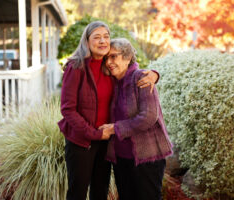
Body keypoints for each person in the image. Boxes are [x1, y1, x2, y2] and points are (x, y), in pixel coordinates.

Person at [58, 21, 159, 200]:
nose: (103, 41)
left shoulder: (108, 66)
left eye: (106, 36)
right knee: (77, 192)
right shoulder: (76, 67)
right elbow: (68, 109)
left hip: (106, 142)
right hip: (82, 142)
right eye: (97, 37)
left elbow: (131, 71)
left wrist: (154, 74)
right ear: (87, 42)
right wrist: (94, 134)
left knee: (101, 190)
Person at [100, 38, 173, 200]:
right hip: (121, 158)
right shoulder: (113, 81)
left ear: (127, 58)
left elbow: (148, 117)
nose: (109, 62)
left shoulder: (142, 78)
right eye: (106, 58)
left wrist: (114, 128)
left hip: (146, 158)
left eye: (114, 56)